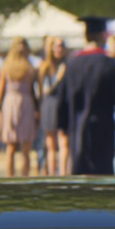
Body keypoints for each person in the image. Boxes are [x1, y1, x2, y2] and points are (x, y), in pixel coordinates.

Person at [62, 16, 115, 175]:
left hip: (77, 126)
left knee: (80, 171)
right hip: (103, 127)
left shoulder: (72, 64)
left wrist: (63, 126)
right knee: (102, 173)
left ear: (86, 36)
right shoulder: (109, 64)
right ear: (103, 36)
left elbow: (63, 98)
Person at [0, 38, 39, 177]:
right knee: (12, 146)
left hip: (24, 103)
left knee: (25, 147)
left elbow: (33, 90)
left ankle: (23, 177)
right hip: (13, 104)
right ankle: (11, 177)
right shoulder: (6, 67)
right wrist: (0, 111)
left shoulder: (30, 67)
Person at [39, 37, 69, 175]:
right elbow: (46, 91)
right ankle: (52, 175)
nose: (59, 49)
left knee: (64, 143)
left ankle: (63, 174)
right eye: (57, 46)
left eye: (62, 46)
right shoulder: (46, 67)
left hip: (64, 105)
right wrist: (58, 78)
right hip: (50, 105)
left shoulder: (68, 65)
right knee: (51, 145)